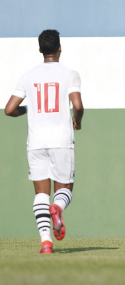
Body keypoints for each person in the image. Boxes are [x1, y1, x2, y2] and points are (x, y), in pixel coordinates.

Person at [4, 29, 84, 253]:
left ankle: (46, 243)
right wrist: (77, 121)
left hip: (36, 142)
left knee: (40, 193)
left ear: (40, 50)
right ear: (60, 48)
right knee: (65, 188)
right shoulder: (70, 74)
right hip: (61, 140)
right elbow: (77, 105)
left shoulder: (28, 76)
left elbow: (9, 109)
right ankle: (57, 208)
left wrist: (29, 109)